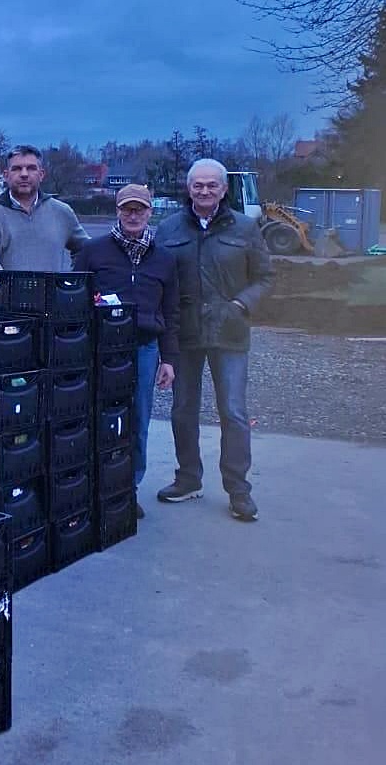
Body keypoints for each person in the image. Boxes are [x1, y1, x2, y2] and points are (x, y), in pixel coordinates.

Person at [155, 158, 275, 522]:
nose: (204, 190)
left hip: (229, 332)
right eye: (198, 185)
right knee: (182, 410)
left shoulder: (245, 227)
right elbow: (159, 278)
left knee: (233, 412)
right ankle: (188, 479)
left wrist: (240, 304)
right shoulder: (169, 228)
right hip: (185, 334)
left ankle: (238, 490)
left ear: (223, 189)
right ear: (188, 188)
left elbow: (265, 278)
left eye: (212, 185)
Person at [77, 184, 180, 519]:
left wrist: (168, 359)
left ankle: (127, 488)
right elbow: (73, 299)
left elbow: (171, 312)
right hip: (100, 350)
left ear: (150, 212)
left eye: (140, 209)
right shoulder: (93, 252)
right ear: (117, 211)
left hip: (144, 350)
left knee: (137, 421)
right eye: (127, 209)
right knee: (96, 417)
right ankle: (93, 487)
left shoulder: (165, 259)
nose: (133, 215)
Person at [0, 144, 89, 271]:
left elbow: (87, 250)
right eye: (17, 169)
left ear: (41, 174)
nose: (24, 174)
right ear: (6, 175)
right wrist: (2, 282)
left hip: (51, 285)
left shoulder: (62, 212)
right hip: (4, 285)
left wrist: (75, 279)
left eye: (31, 168)